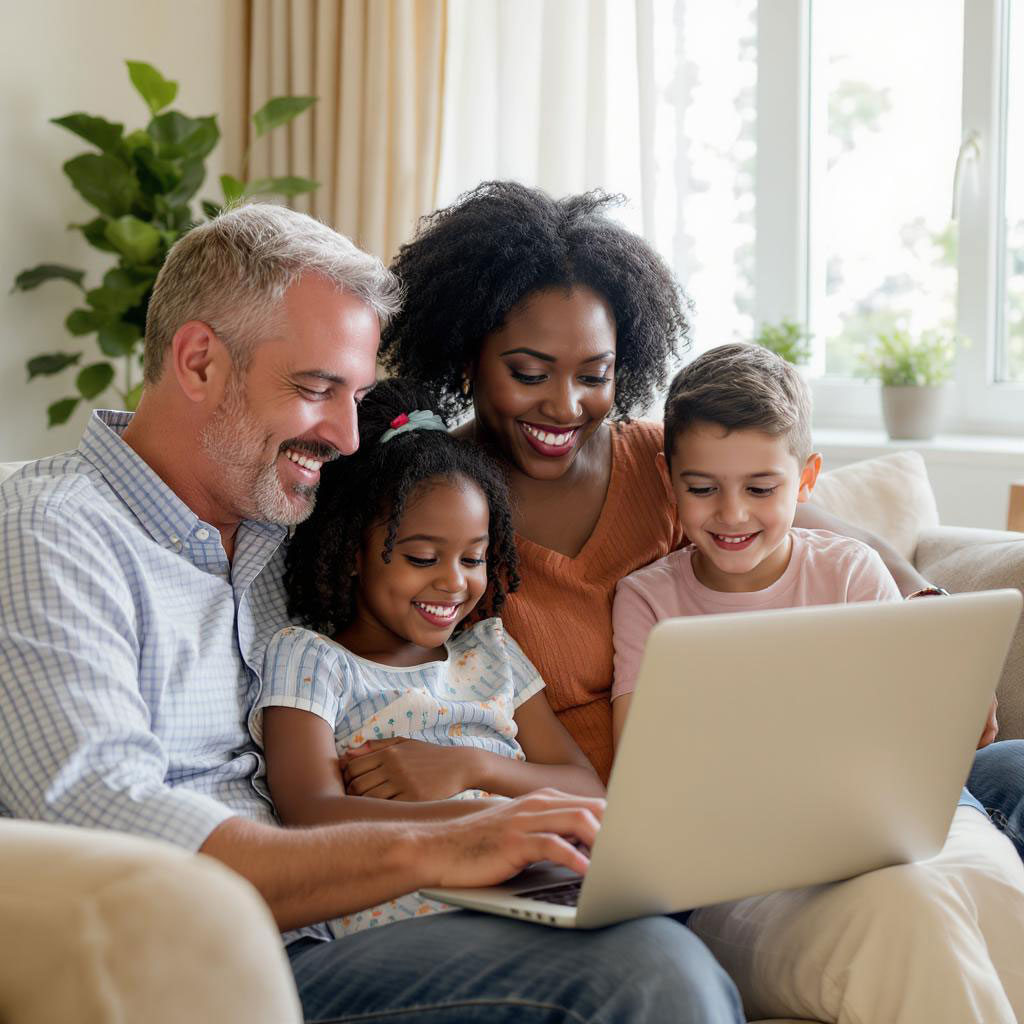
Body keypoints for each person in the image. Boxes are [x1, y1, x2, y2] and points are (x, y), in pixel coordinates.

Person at [0, 202, 745, 1023]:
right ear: (200, 361)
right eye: (318, 389)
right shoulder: (54, 531)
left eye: (355, 396)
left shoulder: (287, 529)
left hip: (343, 933)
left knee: (645, 933)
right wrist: (449, 839)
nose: (349, 439)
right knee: (643, 974)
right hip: (213, 961)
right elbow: (103, 819)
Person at [380, 179, 1023, 842]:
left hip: (793, 785)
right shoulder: (438, 503)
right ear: (466, 360)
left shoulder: (669, 464)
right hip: (632, 826)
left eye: (594, 374)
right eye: (530, 372)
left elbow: (822, 527)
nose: (566, 406)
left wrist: (932, 628)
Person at [606, 342, 1024, 1023]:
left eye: (761, 488)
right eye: (703, 488)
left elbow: (909, 741)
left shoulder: (851, 572)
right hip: (742, 880)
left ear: (806, 478)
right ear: (668, 479)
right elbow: (644, 770)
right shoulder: (648, 599)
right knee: (910, 910)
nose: (732, 514)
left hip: (904, 835)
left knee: (991, 882)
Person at [254, 376, 604, 936]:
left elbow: (588, 791)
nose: (453, 582)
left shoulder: (491, 651)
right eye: (421, 557)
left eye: (473, 558)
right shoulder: (311, 660)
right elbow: (311, 814)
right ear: (351, 553)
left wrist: (472, 768)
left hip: (531, 886)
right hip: (413, 914)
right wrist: (482, 823)